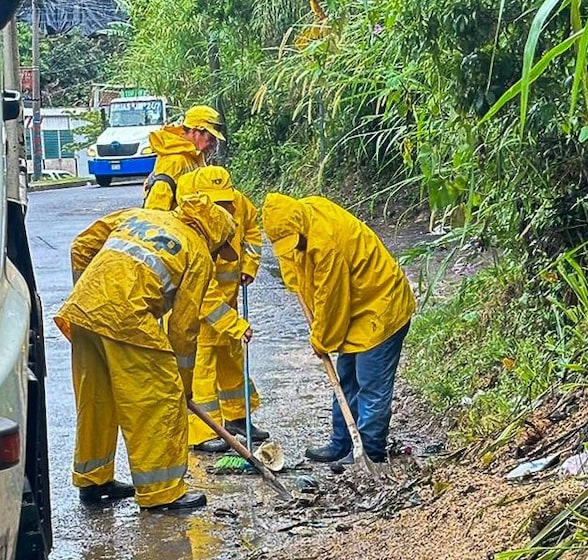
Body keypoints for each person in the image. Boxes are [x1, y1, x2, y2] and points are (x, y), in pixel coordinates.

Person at [54, 194, 237, 511]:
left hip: (83, 310)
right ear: (214, 235)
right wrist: (181, 384)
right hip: (128, 319)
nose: (217, 254)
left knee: (97, 398)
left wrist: (91, 292)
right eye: (220, 248)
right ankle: (161, 493)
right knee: (157, 400)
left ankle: (93, 481)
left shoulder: (141, 216)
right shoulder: (197, 253)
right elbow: (183, 329)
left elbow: (81, 247)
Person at [262, 193, 416, 463]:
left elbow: (332, 300)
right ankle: (342, 443)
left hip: (380, 305)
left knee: (370, 384)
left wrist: (320, 339)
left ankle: (369, 451)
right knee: (346, 380)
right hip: (357, 306)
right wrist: (294, 282)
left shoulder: (326, 242)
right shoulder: (301, 220)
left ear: (299, 225)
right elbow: (293, 262)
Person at [173, 167, 269, 453]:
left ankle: (238, 418)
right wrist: (237, 324)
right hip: (198, 311)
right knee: (201, 370)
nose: (224, 207)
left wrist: (249, 266)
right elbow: (203, 296)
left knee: (232, 359)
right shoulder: (192, 222)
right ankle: (203, 432)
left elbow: (252, 231)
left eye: (226, 199)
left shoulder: (239, 203)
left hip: (228, 299)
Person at [142, 104, 225, 211]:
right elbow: (155, 210)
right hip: (174, 225)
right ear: (195, 132)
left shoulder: (194, 156)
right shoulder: (173, 160)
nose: (213, 143)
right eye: (211, 138)